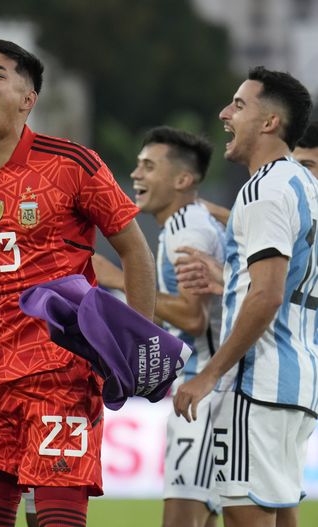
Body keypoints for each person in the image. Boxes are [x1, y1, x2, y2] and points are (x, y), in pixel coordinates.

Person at [0, 40, 156, 527]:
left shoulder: (72, 164)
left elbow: (135, 251)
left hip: (62, 374)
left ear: (28, 100)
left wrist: (137, 343)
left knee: (57, 521)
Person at [173, 67, 318, 527]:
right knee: (281, 515)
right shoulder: (305, 185)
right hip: (298, 383)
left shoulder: (263, 189)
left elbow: (267, 295)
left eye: (238, 105)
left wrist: (209, 375)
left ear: (270, 122)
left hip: (257, 383)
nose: (224, 113)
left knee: (244, 516)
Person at [103, 126, 224, 527]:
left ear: (182, 180)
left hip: (206, 395)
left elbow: (193, 317)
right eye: (138, 164)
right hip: (211, 391)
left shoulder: (186, 231)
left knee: (179, 521)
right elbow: (170, 315)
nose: (135, 174)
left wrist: (118, 278)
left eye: (149, 166)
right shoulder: (188, 222)